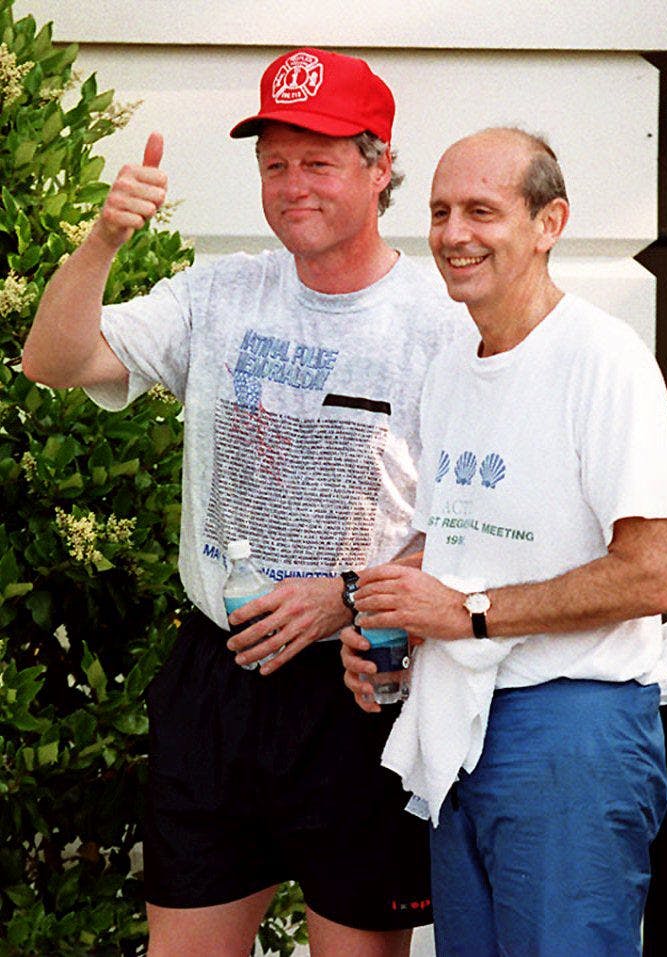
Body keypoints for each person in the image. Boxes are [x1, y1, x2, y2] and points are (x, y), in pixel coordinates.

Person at [22, 48, 465, 957]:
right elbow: (53, 362)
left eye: (319, 160)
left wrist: (347, 594)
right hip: (216, 680)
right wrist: (103, 238)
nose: (291, 184)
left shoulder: (443, 321)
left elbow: (471, 525)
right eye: (274, 163)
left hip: (362, 679)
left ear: (379, 167)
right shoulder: (221, 293)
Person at [341, 127, 667, 957]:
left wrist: (466, 613)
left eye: (482, 211)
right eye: (439, 211)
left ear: (548, 222)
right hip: (458, 723)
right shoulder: (453, 365)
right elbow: (456, 535)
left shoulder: (602, 360)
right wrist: (380, 618)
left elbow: (653, 573)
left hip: (571, 730)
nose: (454, 233)